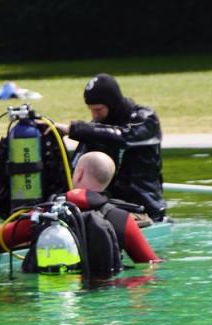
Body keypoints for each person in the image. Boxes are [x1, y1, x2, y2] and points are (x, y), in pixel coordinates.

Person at [0, 151, 159, 263]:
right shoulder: (123, 220)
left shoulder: (48, 212)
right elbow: (151, 263)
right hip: (102, 296)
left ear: (79, 173)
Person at [52, 73, 167, 220]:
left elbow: (122, 137)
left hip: (145, 211)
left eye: (98, 109)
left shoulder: (146, 119)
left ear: (113, 104)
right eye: (91, 109)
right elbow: (76, 168)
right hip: (111, 209)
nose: (94, 114)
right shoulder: (96, 128)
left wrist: (73, 130)